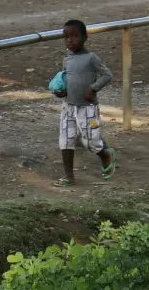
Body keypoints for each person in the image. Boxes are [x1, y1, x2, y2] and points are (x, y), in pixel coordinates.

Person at [50, 19, 116, 188]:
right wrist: (61, 91)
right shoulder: (67, 59)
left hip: (87, 107)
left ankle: (105, 154)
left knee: (90, 141)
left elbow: (106, 75)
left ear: (85, 37)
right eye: (66, 37)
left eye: (75, 36)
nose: (70, 40)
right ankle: (69, 176)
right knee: (65, 140)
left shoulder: (91, 58)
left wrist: (93, 88)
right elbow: (66, 78)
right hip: (69, 106)